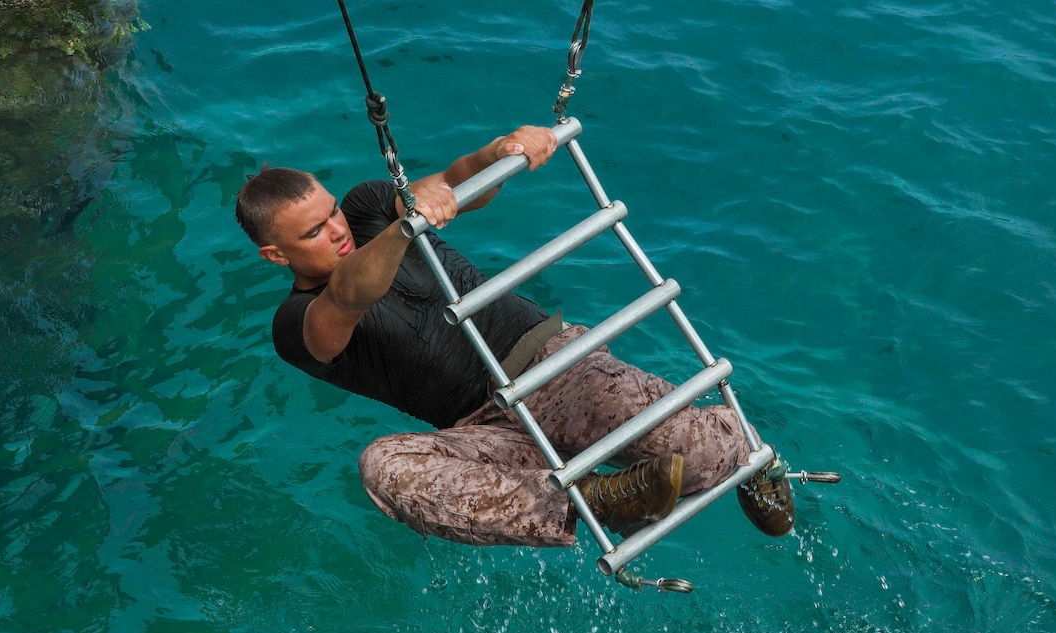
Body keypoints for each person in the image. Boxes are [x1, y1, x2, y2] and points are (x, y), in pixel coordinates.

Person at [235, 125, 794, 547]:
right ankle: (587, 505)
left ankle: (744, 449)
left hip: (556, 366)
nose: (337, 230)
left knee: (702, 459)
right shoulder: (295, 325)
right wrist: (408, 228)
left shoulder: (368, 206)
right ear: (275, 255)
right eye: (314, 232)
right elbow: (350, 295)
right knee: (382, 468)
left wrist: (499, 151)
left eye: (331, 212)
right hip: (485, 427)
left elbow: (454, 185)